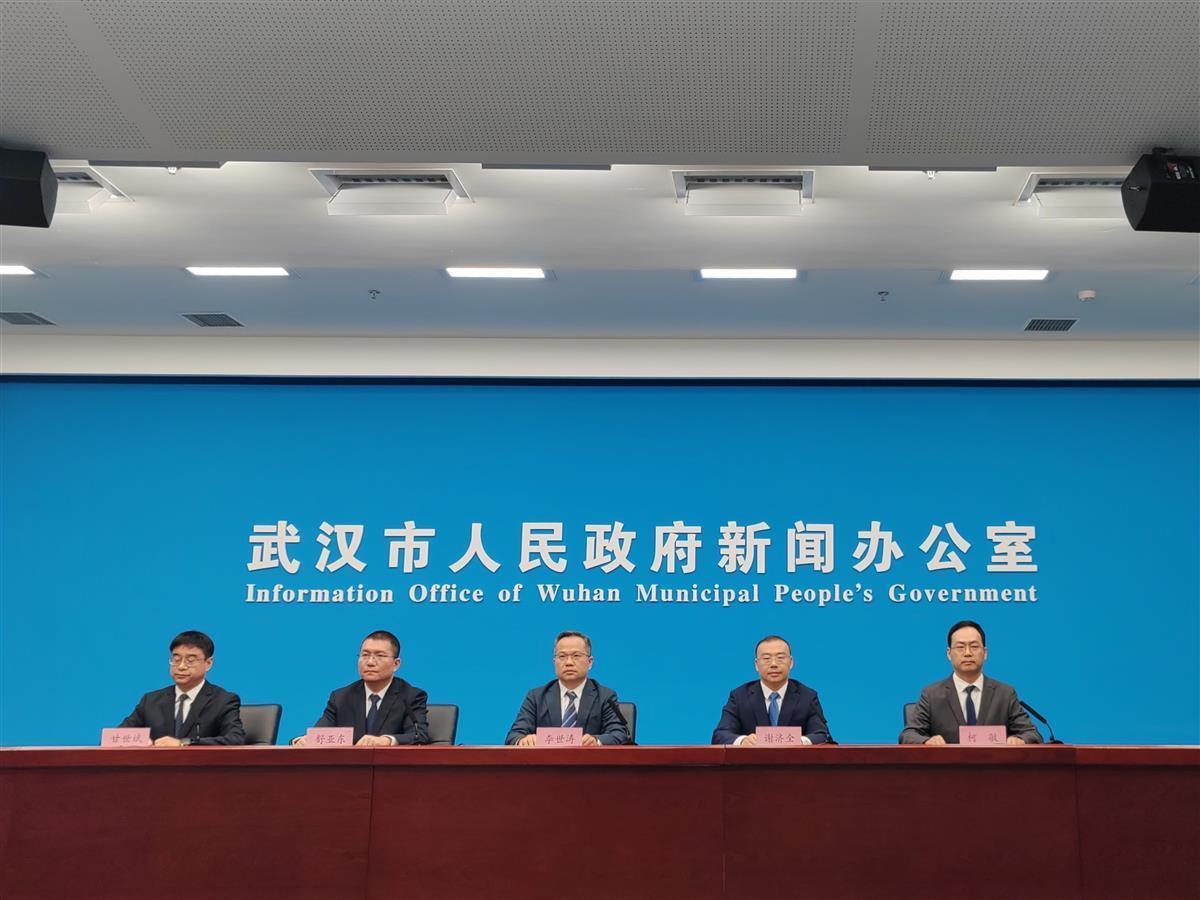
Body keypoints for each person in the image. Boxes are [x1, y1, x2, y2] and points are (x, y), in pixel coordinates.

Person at [900, 620, 1042, 745]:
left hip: (993, 766)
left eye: (974, 646)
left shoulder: (1005, 694)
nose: (967, 653)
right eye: (960, 647)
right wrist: (927, 741)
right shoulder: (931, 695)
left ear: (985, 653)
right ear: (949, 653)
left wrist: (1020, 740)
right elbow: (908, 735)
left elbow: (1032, 734)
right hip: (948, 766)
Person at [292, 630, 429, 746]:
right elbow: (320, 733)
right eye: (365, 655)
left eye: (380, 656)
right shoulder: (341, 697)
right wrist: (303, 740)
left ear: (396, 664)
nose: (370, 662)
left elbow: (419, 735)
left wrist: (386, 740)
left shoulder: (410, 696)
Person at [118, 630, 245, 746]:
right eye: (176, 659)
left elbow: (235, 739)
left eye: (190, 660)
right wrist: (137, 741)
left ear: (208, 663)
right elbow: (117, 736)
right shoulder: (151, 700)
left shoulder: (223, 700)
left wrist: (184, 743)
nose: (181, 666)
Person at [505, 631, 629, 746]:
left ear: (590, 662)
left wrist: (596, 741)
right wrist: (523, 740)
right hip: (547, 762)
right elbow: (513, 736)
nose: (569, 662)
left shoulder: (605, 696)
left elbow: (619, 734)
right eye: (562, 656)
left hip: (589, 762)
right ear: (554, 661)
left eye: (576, 656)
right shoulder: (536, 697)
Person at [712, 635, 832, 745]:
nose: (774, 664)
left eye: (780, 658)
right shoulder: (739, 696)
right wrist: (743, 741)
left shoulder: (807, 696)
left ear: (791, 662)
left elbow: (822, 735)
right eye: (766, 658)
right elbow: (720, 735)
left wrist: (799, 741)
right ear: (756, 664)